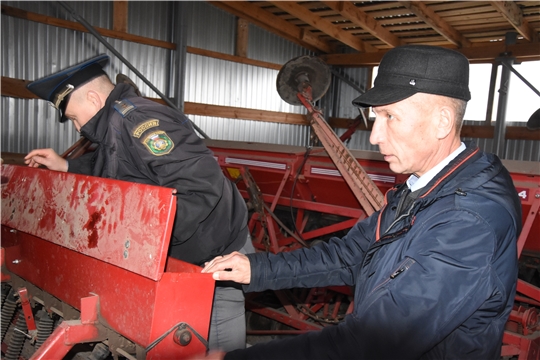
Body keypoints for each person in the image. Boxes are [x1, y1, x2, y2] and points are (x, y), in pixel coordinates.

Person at [201, 45, 522, 359]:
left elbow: (373, 344)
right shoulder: (423, 188)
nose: (374, 136)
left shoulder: (468, 220)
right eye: (375, 117)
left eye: (390, 116)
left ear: (442, 122)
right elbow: (349, 255)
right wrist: (256, 269)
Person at [24, 54, 254, 352]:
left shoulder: (140, 122)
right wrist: (66, 166)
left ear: (93, 99)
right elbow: (114, 163)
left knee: (217, 347)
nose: (77, 128)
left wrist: (144, 245)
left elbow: (199, 187)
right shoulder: (115, 126)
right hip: (183, 253)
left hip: (215, 255)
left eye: (73, 117)